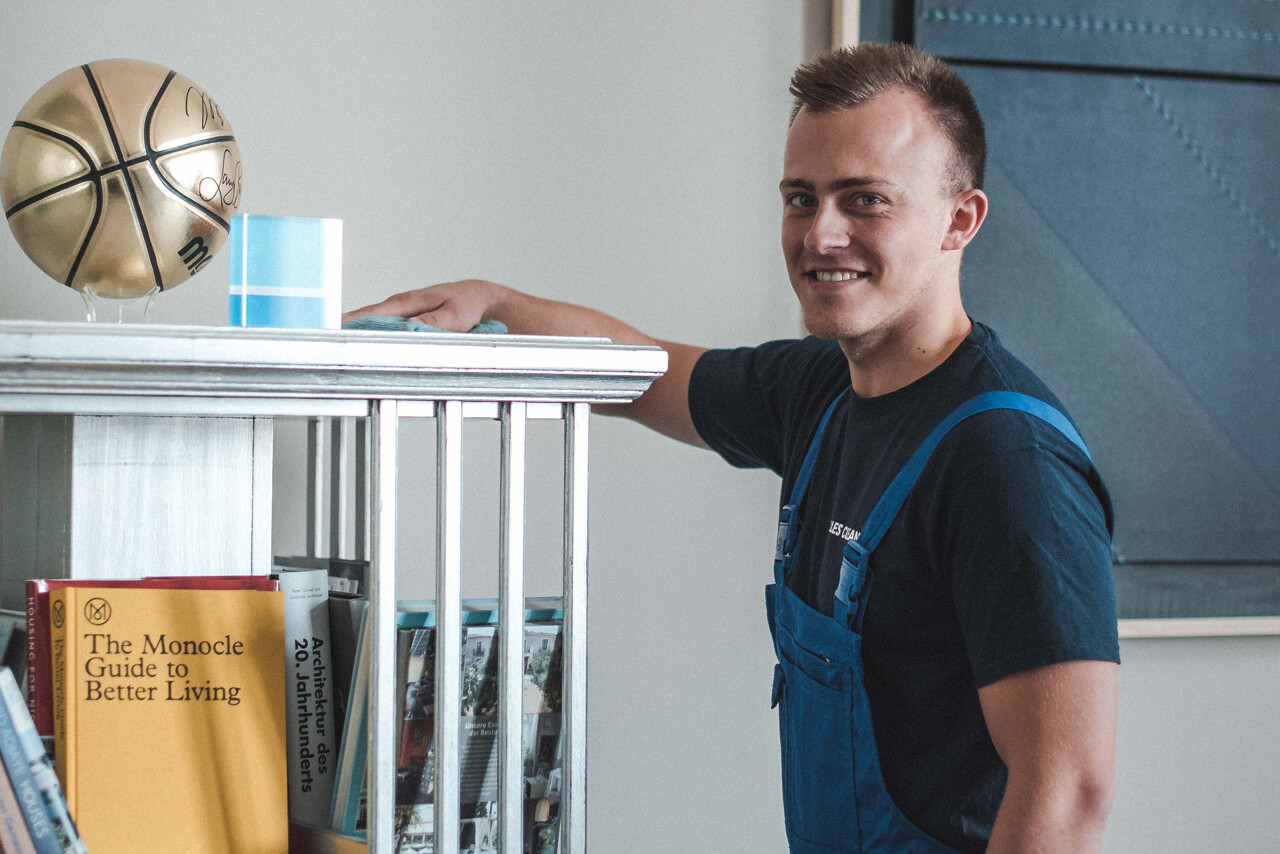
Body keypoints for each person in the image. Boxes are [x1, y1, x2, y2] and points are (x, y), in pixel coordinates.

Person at [347, 42, 1119, 854]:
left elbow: (1067, 793)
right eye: (800, 198)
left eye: (865, 200)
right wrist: (493, 304)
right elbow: (648, 372)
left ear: (960, 219)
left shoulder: (1006, 459)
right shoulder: (819, 394)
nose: (822, 234)